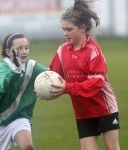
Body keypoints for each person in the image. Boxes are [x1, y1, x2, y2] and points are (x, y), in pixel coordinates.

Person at [49, 0, 120, 150]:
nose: (65, 33)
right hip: (83, 111)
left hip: (104, 108)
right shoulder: (62, 51)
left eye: (69, 29)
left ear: (82, 28)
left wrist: (67, 87)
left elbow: (96, 83)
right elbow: (51, 74)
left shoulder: (93, 51)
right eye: (63, 29)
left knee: (112, 148)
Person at [0, 33, 47, 150]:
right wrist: (15, 71)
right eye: (19, 49)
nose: (24, 52)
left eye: (26, 48)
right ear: (8, 52)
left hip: (19, 117)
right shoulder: (0, 69)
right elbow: (0, 87)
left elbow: (50, 75)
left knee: (28, 146)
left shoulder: (31, 66)